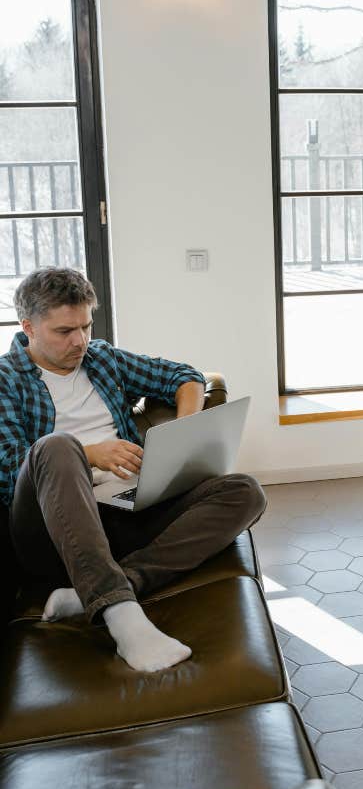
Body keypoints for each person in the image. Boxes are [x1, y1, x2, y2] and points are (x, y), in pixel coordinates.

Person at [1, 267, 266, 672]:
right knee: (56, 447)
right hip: (53, 531)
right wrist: (90, 454)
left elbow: (186, 376)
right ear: (29, 328)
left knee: (244, 491)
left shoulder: (102, 358)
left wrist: (183, 429)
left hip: (127, 508)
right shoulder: (6, 380)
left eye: (86, 326)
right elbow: (8, 469)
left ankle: (99, 590)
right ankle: (124, 619)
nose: (80, 341)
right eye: (65, 331)